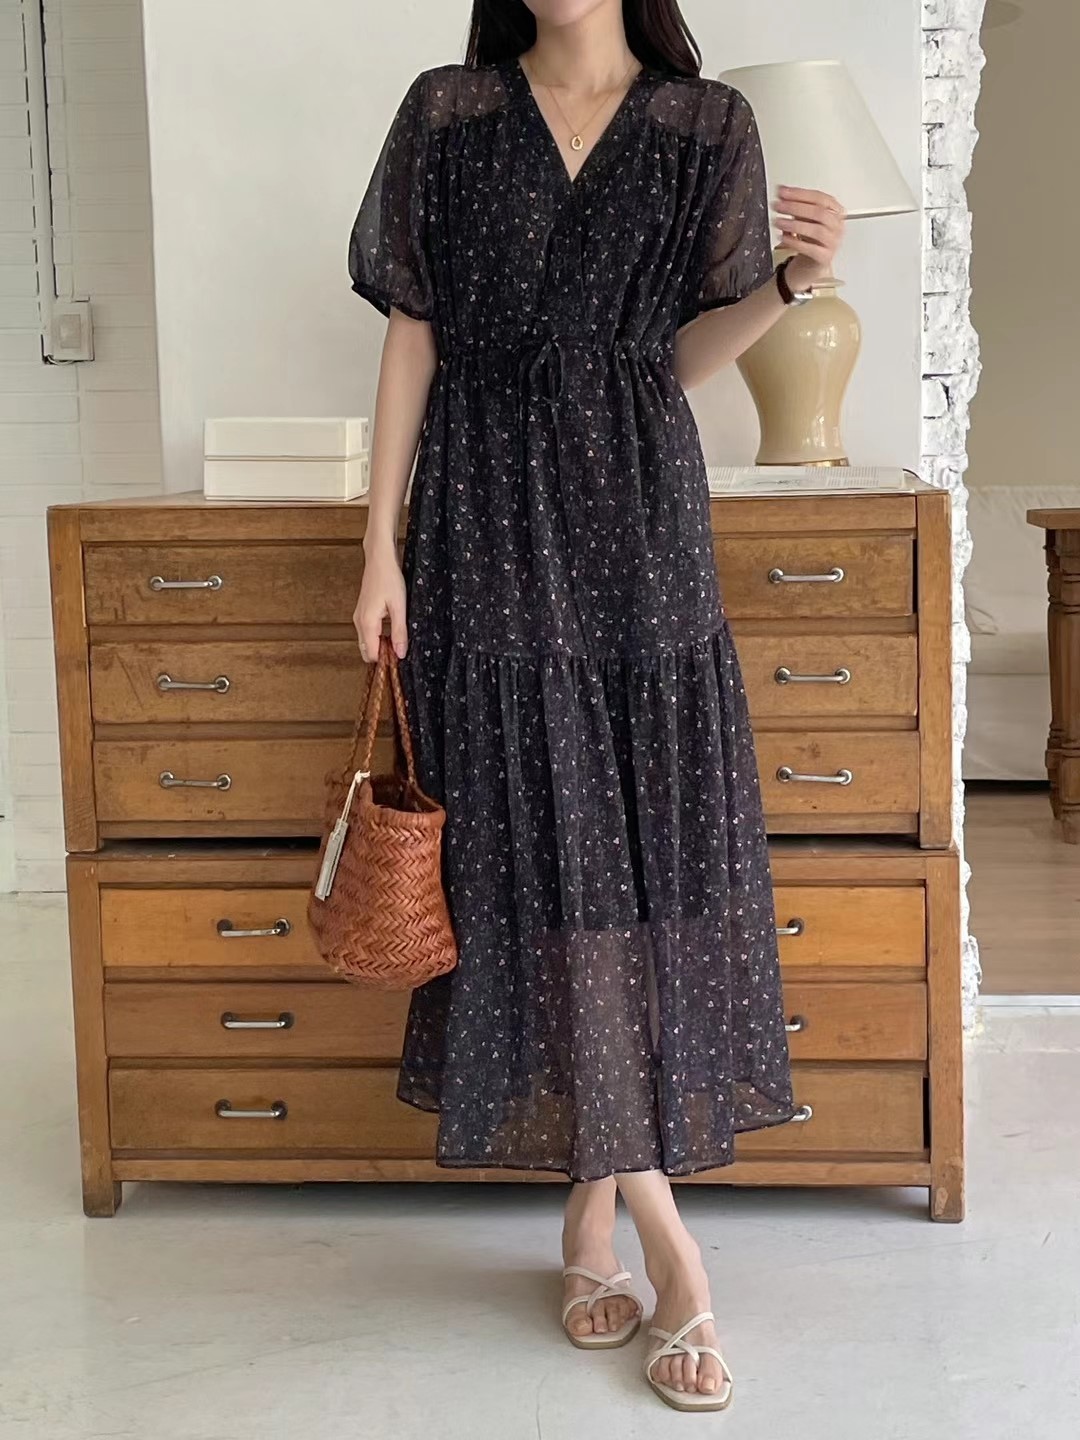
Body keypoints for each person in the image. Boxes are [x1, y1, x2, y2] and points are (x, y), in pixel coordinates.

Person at [349, 0, 844, 1413]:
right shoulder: (450, 112)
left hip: (638, 519)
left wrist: (793, 283)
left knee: (639, 866)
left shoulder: (706, 125)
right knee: (537, 858)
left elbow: (671, 358)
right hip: (484, 516)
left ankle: (589, 1208)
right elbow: (413, 338)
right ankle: (673, 1254)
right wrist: (379, 545)